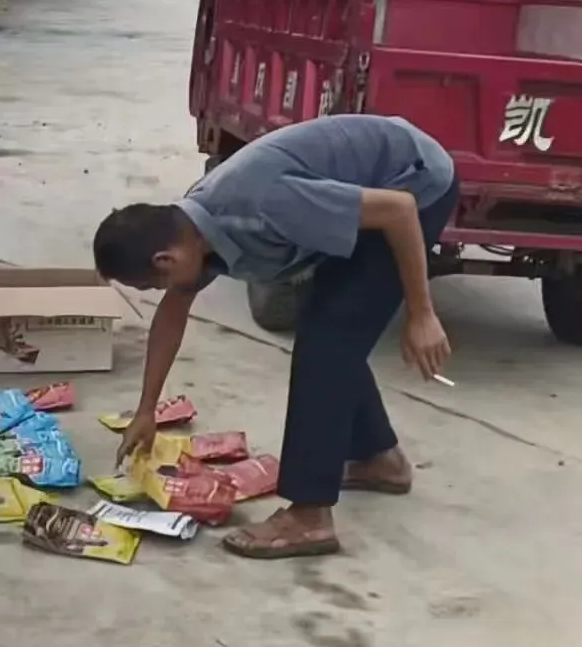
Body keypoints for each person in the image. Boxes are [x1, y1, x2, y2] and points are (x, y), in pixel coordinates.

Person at [92, 114, 459, 559]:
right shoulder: (191, 230)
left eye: (151, 285)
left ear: (165, 260)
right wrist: (146, 410)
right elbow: (174, 311)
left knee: (326, 346)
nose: (160, 292)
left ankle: (309, 517)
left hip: (415, 182)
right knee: (329, 333)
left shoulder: (266, 203)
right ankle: (380, 459)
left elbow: (398, 209)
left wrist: (422, 313)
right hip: (373, 185)